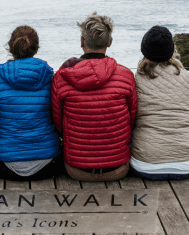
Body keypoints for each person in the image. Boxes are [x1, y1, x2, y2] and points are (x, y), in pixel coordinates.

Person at [51, 13, 137, 182]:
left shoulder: (62, 77)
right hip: (118, 169)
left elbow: (58, 123)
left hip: (76, 170)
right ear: (110, 42)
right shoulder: (126, 75)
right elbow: (131, 120)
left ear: (82, 42)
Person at [0, 25, 61, 180]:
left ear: (10, 47)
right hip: (47, 162)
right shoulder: (51, 80)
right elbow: (56, 118)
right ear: (37, 48)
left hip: (6, 164)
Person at [129, 26, 189, 180]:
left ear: (145, 51)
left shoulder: (135, 80)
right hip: (188, 163)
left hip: (146, 164)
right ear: (171, 50)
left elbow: (131, 117)